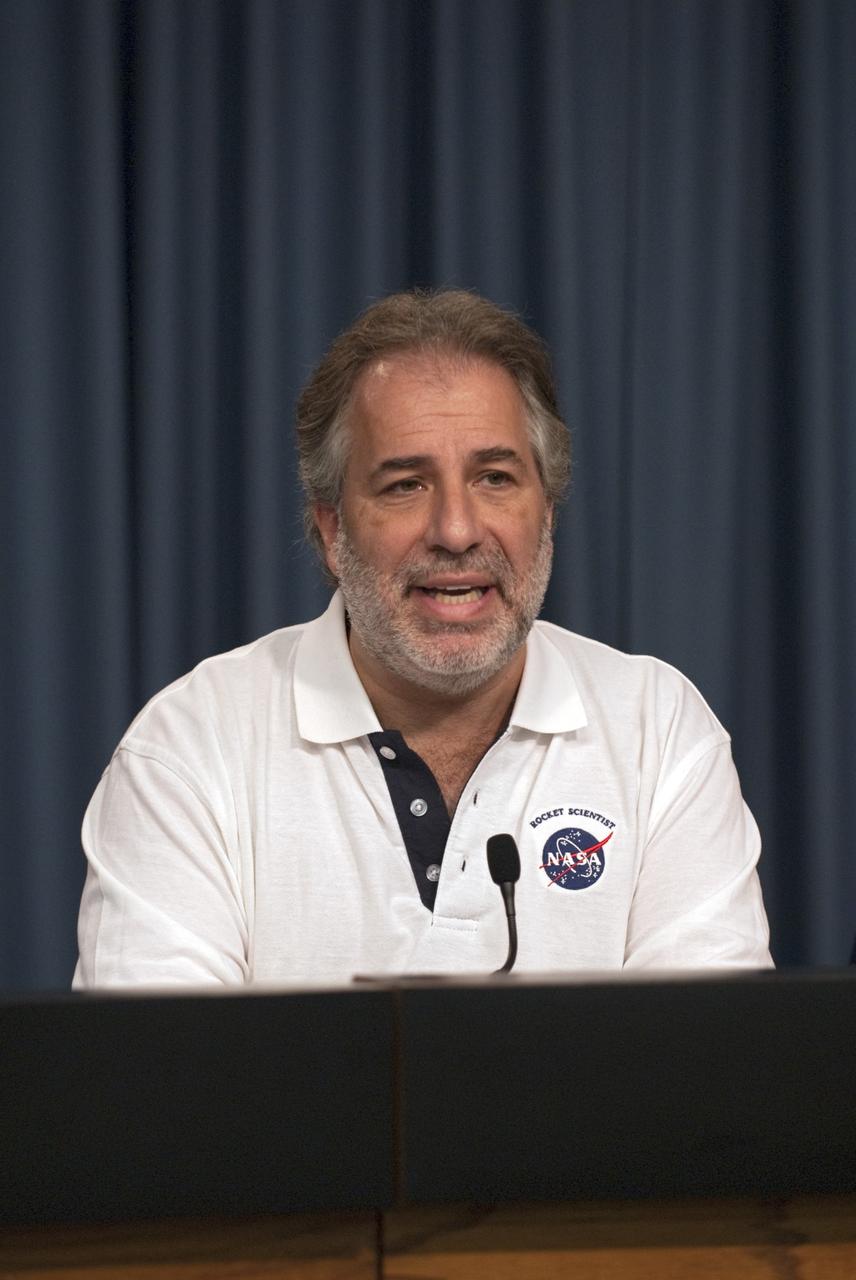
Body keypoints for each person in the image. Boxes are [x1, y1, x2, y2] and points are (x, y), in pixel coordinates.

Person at [73, 289, 771, 987]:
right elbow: (156, 1084)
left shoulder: (661, 733)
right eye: (406, 485)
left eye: (495, 478)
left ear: (548, 513)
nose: (457, 531)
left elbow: (708, 1073)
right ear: (331, 527)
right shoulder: (189, 750)